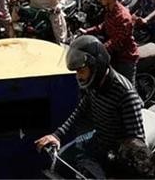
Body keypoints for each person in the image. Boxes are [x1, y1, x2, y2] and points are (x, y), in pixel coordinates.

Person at [34, 35, 149, 179]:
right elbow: (81, 110)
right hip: (99, 141)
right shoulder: (94, 84)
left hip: (116, 154)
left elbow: (136, 143)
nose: (78, 76)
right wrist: (57, 135)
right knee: (62, 160)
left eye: (81, 70)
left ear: (97, 65)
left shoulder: (125, 94)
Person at [82, 0, 140, 84]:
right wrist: (87, 31)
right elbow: (104, 25)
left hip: (125, 57)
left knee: (127, 88)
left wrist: (101, 49)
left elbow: (116, 41)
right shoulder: (109, 9)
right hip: (112, 53)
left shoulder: (123, 17)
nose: (98, 0)